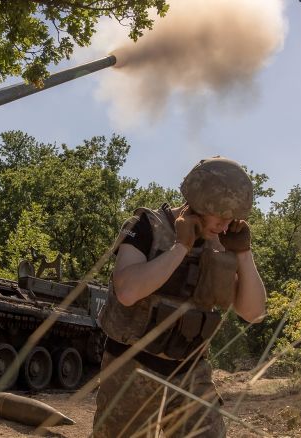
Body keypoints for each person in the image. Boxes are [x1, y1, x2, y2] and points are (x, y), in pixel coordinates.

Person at [93, 157, 267, 437]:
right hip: (133, 369)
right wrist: (180, 248)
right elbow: (127, 291)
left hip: (191, 374)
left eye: (231, 220)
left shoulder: (222, 242)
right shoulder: (147, 226)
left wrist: (244, 255)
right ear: (199, 202)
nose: (225, 227)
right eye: (221, 217)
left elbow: (254, 313)